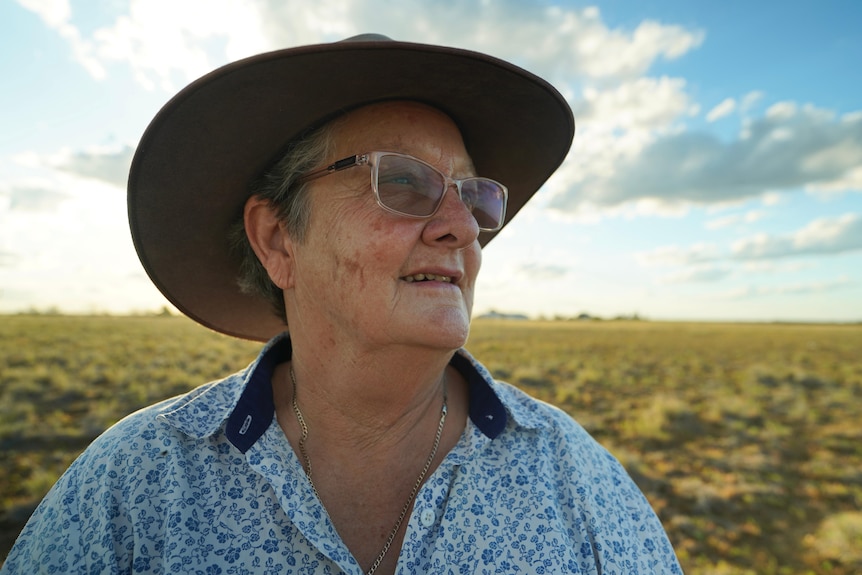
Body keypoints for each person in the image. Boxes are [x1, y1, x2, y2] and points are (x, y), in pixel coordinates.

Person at [2, 35, 682, 574]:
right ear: (278, 239)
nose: (462, 226)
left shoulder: (576, 478)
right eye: (406, 181)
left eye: (475, 196)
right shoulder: (137, 481)